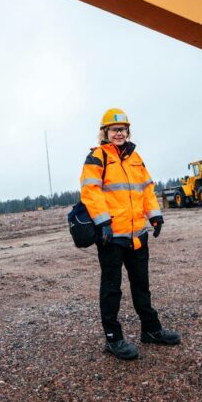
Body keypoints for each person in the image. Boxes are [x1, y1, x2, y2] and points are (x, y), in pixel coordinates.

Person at [79, 107, 180, 360]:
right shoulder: (97, 157)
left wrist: (154, 215)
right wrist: (103, 223)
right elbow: (91, 191)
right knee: (112, 289)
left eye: (122, 129)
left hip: (137, 236)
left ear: (127, 131)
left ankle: (151, 330)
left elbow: (146, 188)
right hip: (111, 237)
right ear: (104, 132)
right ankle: (113, 339)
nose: (119, 133)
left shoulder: (136, 158)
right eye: (114, 130)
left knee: (141, 286)